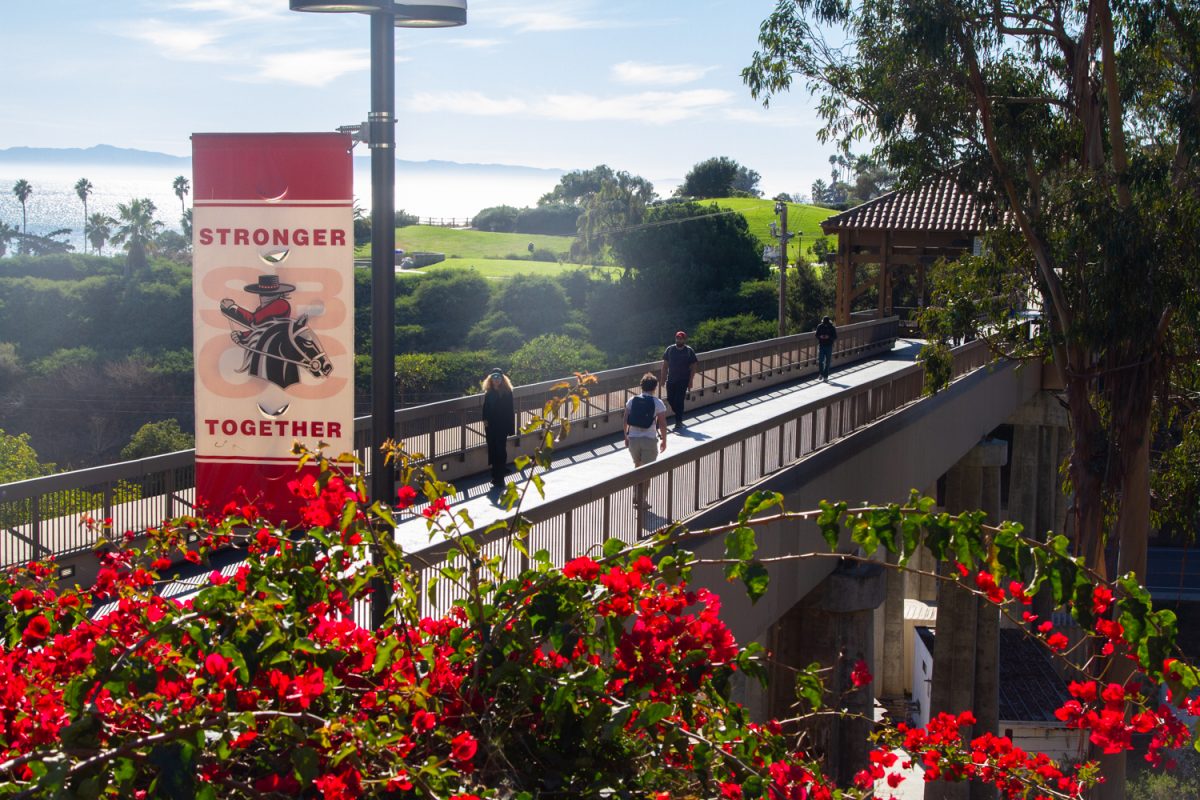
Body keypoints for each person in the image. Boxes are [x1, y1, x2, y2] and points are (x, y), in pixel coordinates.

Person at [624, 372, 668, 508]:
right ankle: (642, 501)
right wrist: (664, 440)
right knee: (646, 472)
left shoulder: (632, 400)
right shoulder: (657, 402)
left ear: (641, 386)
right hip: (649, 440)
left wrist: (626, 436)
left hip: (633, 439)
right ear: (655, 387)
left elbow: (625, 419)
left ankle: (636, 496)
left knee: (637, 467)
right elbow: (662, 423)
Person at [481, 368, 515, 488]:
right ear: (490, 379)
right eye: (494, 377)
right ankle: (497, 472)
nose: (496, 379)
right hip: (490, 427)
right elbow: (485, 409)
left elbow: (510, 411)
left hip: (502, 426)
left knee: (500, 449)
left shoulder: (507, 392)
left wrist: (511, 428)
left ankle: (499, 477)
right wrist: (485, 421)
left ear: (502, 379)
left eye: (498, 377)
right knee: (492, 449)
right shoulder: (488, 392)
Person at [660, 330, 698, 431]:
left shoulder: (689, 351)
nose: (678, 340)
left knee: (679, 400)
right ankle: (679, 414)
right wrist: (662, 379)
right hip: (671, 379)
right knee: (670, 399)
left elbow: (694, 366)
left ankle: (678, 421)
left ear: (684, 339)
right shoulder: (670, 350)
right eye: (677, 338)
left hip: (683, 380)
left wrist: (691, 381)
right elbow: (664, 365)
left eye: (681, 338)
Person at [815, 316, 837, 381]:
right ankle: (821, 373)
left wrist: (829, 337)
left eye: (826, 323)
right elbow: (816, 335)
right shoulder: (819, 326)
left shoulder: (832, 327)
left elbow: (835, 336)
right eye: (824, 323)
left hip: (829, 346)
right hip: (821, 345)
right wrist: (820, 336)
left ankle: (825, 376)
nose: (825, 324)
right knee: (820, 361)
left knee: (828, 362)